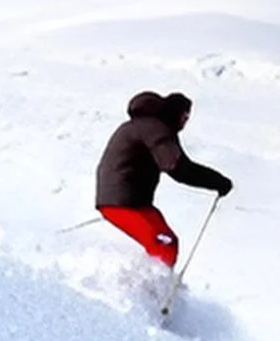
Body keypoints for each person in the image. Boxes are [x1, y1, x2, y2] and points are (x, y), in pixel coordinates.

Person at [94, 89, 232, 265]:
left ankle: (151, 284)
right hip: (123, 202)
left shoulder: (140, 126)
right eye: (185, 116)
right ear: (174, 113)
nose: (185, 122)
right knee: (163, 242)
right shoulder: (155, 128)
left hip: (130, 201)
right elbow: (178, 168)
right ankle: (152, 290)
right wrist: (218, 182)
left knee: (168, 241)